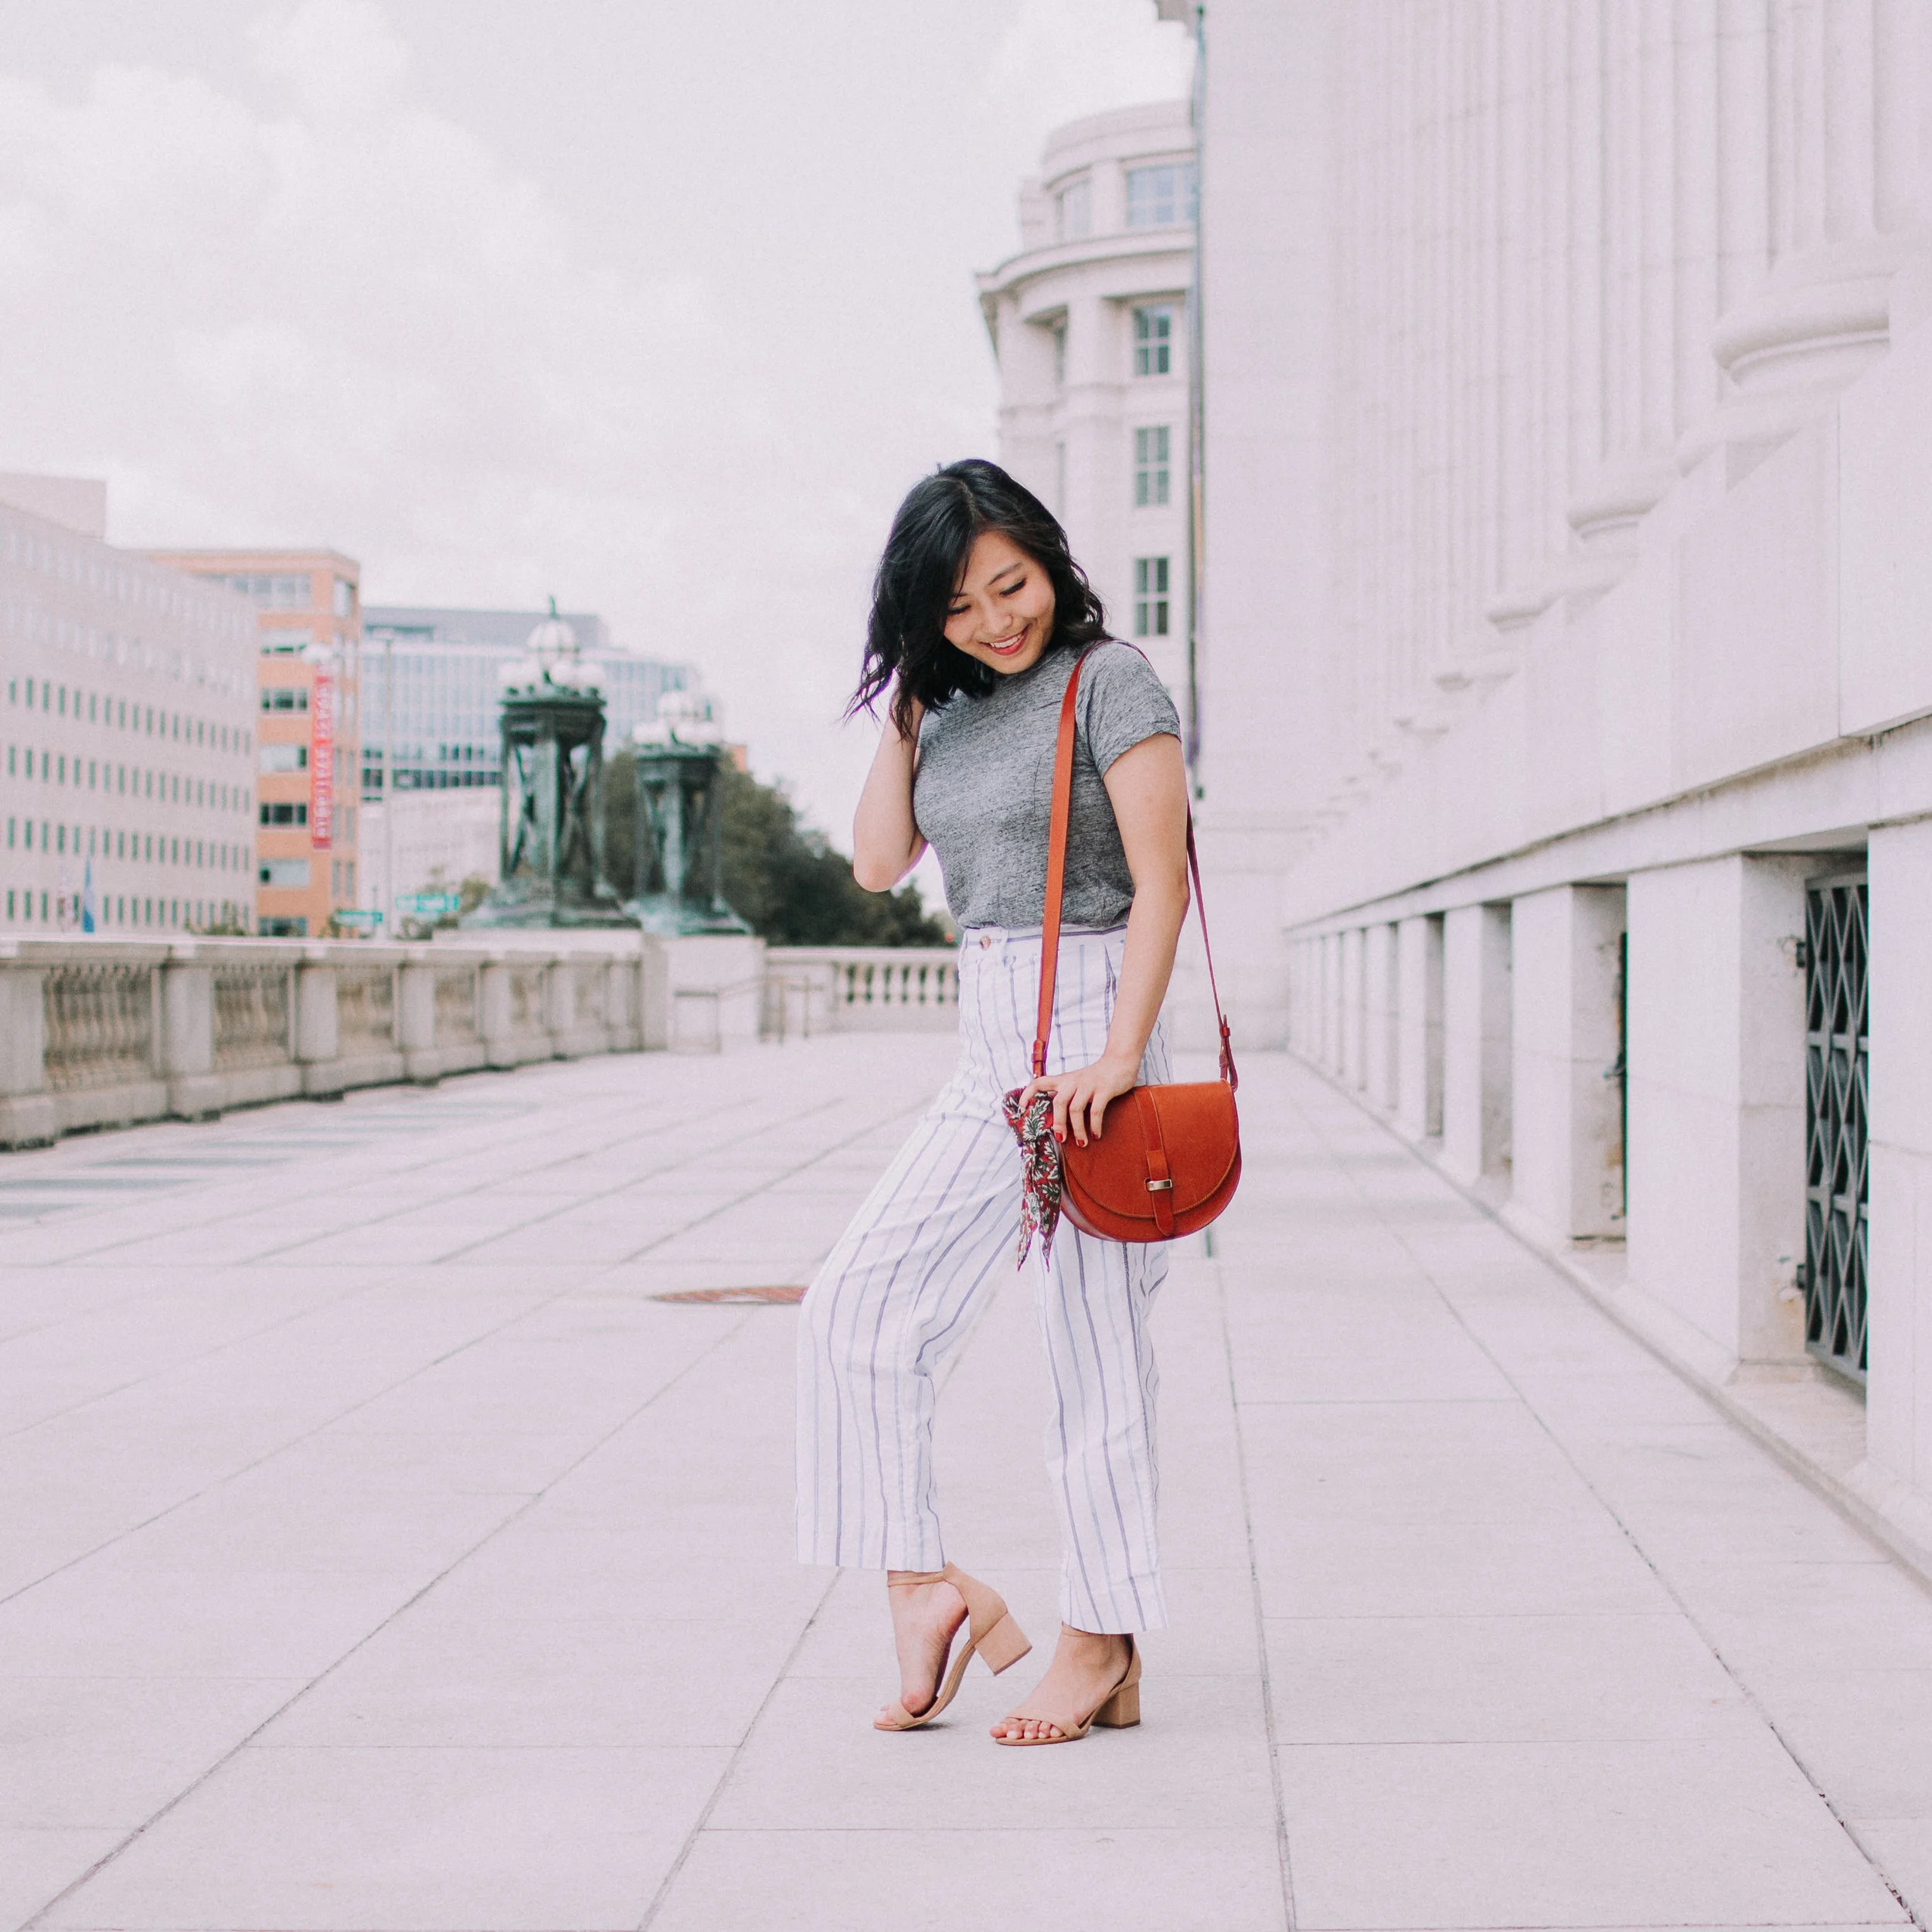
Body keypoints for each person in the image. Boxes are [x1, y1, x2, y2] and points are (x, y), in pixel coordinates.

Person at [795, 458, 1192, 1746]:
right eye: (958, 609)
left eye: (1009, 586)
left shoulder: (1111, 679)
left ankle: (1101, 1635)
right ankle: (922, 1587)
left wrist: (1121, 1056)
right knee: (855, 1304)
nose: (996, 622)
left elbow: (1162, 881)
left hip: (1090, 1023)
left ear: (1048, 558)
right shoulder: (949, 712)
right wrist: (911, 701)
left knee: (1090, 1354)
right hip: (990, 1039)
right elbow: (873, 861)